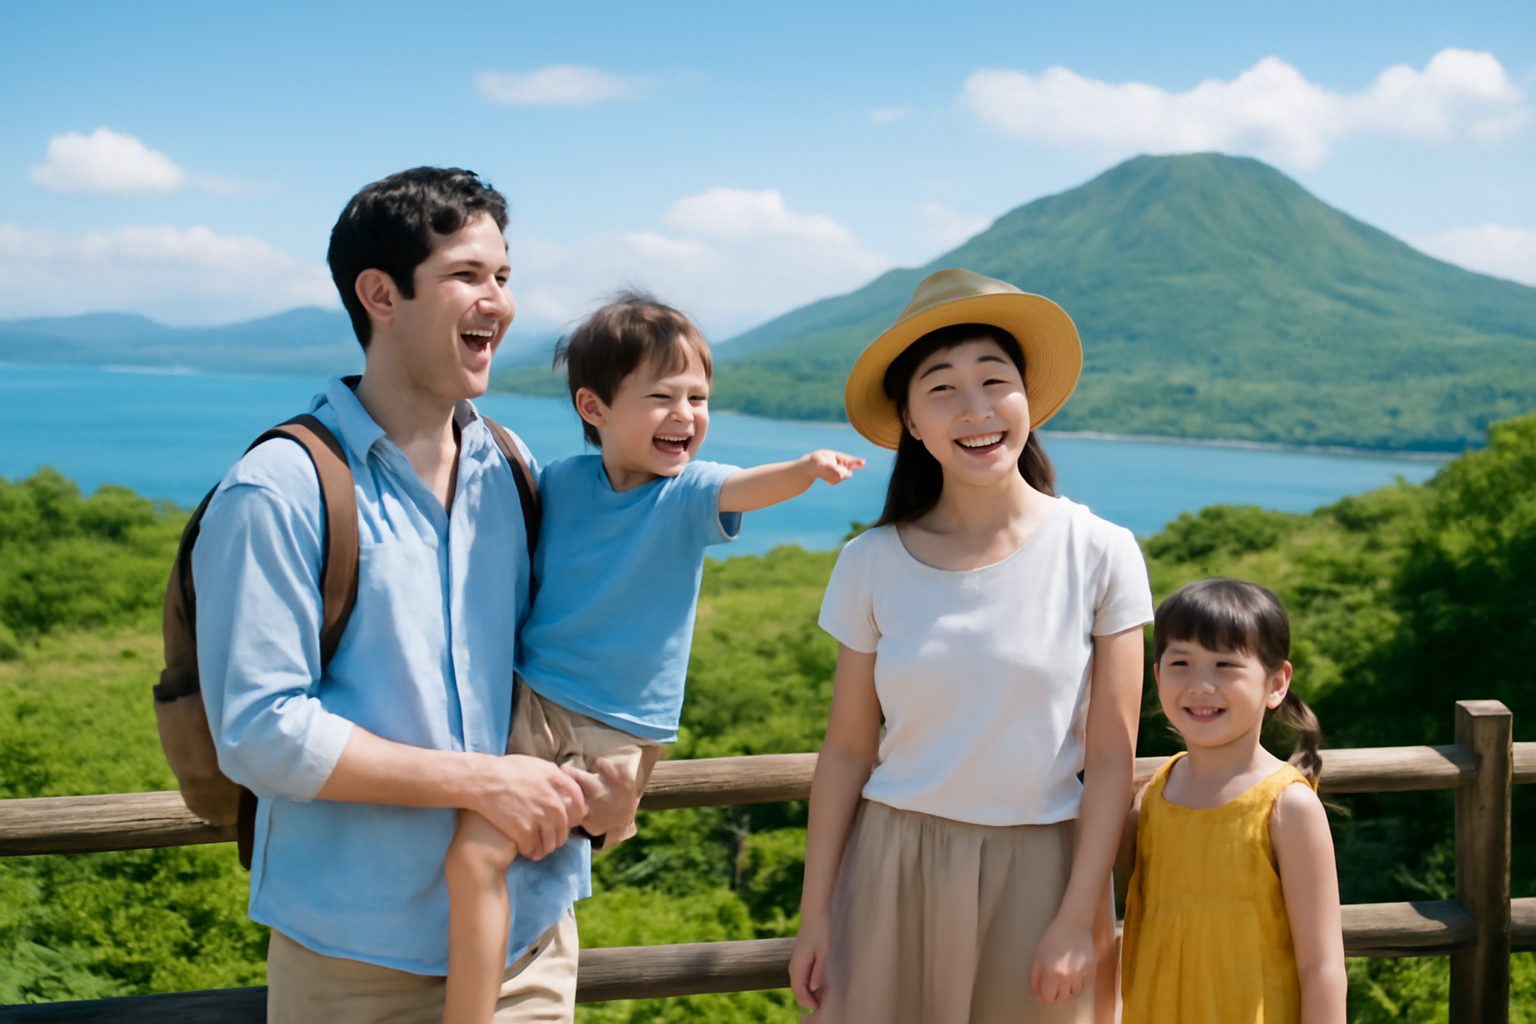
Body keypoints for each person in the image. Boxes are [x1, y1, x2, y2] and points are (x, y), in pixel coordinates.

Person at [195, 167, 635, 1023]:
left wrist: (614, 774)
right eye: (467, 276)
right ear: (379, 294)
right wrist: (480, 782)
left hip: (531, 935)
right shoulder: (280, 489)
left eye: (504, 276)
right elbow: (259, 731)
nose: (498, 302)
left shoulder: (511, 467)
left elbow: (565, 656)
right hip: (354, 961)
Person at [442, 291, 865, 1024]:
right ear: (595, 406)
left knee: (487, 855)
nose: (686, 415)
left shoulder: (688, 492)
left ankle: (476, 1006)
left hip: (615, 724)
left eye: (699, 397)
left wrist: (805, 467)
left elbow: (745, 485)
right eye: (662, 396)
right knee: (483, 855)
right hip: (532, 699)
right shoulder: (561, 483)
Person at [789, 268, 1154, 1023]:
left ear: (1029, 401)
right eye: (942, 389)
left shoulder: (1101, 551)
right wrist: (815, 913)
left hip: (1047, 874)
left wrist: (1081, 917)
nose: (977, 409)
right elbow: (849, 750)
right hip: (890, 868)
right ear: (912, 423)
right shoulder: (870, 562)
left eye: (996, 380)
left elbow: (1113, 754)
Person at [1120, 578, 1346, 1023]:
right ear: (1158, 675)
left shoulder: (1287, 806)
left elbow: (1322, 967)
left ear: (1276, 683)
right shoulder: (1150, 797)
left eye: (1225, 665)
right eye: (1181, 662)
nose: (1201, 685)